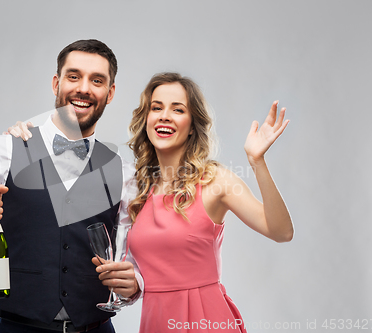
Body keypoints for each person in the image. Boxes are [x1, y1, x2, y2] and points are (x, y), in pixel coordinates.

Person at [0, 39, 142, 333]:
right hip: (18, 327)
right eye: (74, 76)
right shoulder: (2, 150)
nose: (84, 88)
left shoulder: (125, 172)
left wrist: (135, 285)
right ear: (56, 83)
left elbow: (131, 263)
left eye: (97, 80)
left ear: (110, 92)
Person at [97, 72, 293, 332]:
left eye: (177, 109)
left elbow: (281, 231)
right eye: (157, 108)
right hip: (155, 322)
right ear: (146, 119)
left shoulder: (215, 180)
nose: (164, 115)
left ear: (192, 125)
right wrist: (27, 137)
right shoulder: (138, 189)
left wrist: (257, 162)